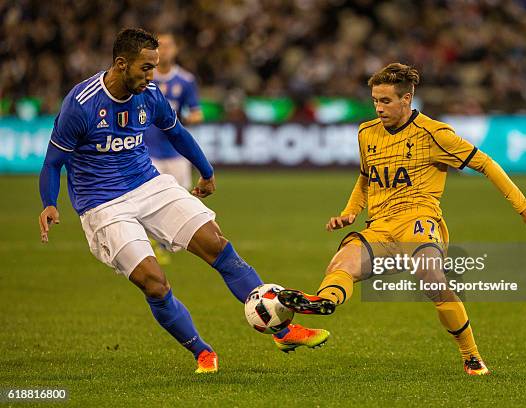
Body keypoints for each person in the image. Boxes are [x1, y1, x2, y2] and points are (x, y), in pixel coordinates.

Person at [38, 28, 329, 375]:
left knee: (217, 245)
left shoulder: (150, 95)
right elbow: (53, 162)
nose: (152, 76)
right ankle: (202, 351)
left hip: (148, 184)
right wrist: (49, 202)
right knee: (155, 282)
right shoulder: (81, 104)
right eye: (146, 68)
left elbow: (176, 132)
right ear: (120, 64)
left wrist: (206, 171)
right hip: (103, 204)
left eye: (155, 67)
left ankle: (281, 330)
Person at [278, 63, 526, 376]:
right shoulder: (366, 133)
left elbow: (486, 164)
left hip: (419, 222)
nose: (379, 108)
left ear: (406, 99)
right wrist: (350, 212)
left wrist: (523, 207)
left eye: (386, 101)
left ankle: (471, 355)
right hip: (379, 227)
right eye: (375, 100)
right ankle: (324, 301)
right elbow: (365, 178)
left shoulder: (434, 134)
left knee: (431, 276)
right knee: (341, 264)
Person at [143, 32, 203, 264]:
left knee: (181, 198)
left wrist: (180, 121)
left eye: (169, 46)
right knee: (149, 197)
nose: (165, 51)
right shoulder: (145, 77)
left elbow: (196, 112)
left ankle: (169, 240)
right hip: (148, 150)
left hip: (177, 152)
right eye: (161, 47)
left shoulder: (186, 80)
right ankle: (155, 244)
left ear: (176, 50)